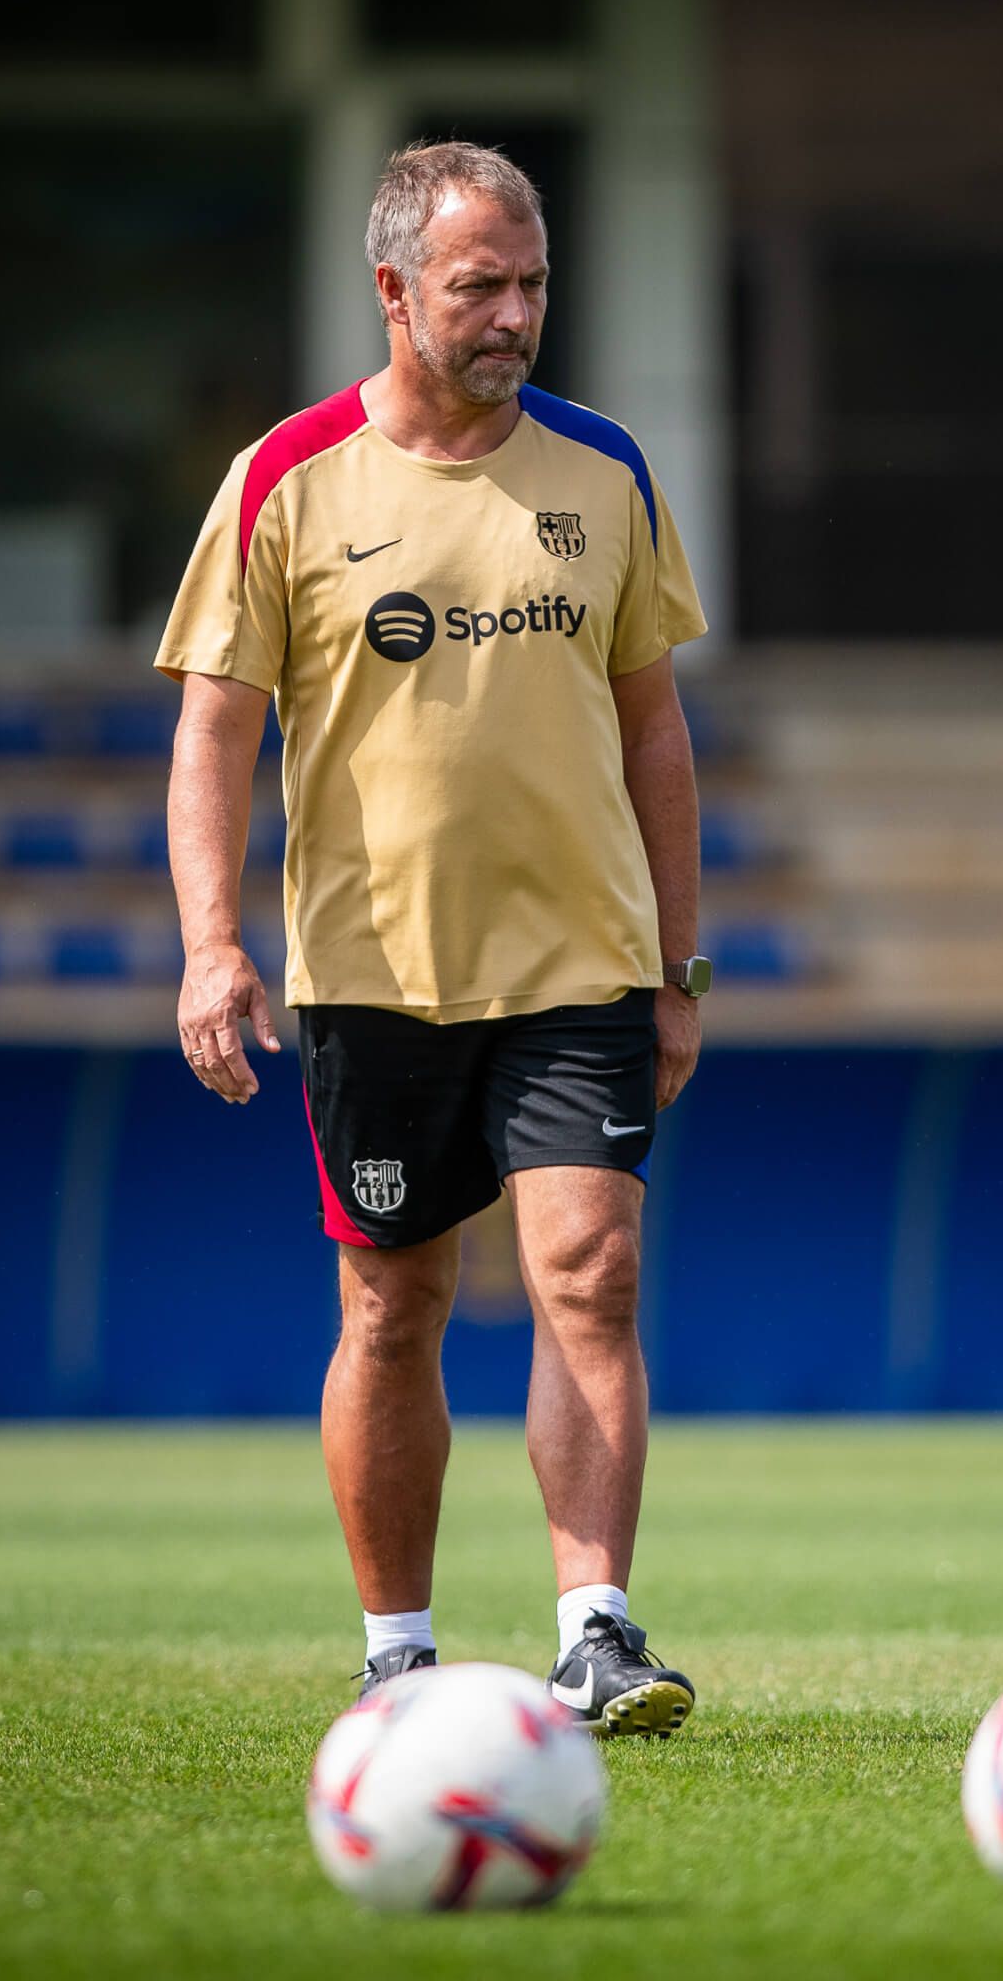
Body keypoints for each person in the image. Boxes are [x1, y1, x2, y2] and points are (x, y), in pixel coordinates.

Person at [155, 140, 709, 1734]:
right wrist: (211, 943)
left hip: (581, 965)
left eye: (534, 282)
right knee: (393, 1307)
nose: (516, 314)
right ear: (393, 291)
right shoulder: (286, 477)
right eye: (481, 286)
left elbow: (655, 732)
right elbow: (212, 735)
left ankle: (595, 1630)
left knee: (589, 1277)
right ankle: (398, 1651)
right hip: (372, 978)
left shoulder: (605, 472)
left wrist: (679, 965)